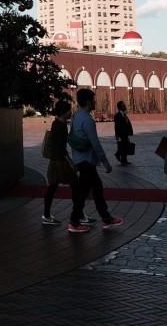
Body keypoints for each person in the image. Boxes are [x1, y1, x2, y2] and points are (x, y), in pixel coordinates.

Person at [68, 88, 124, 233]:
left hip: (80, 159)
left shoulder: (75, 116)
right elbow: (95, 144)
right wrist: (106, 163)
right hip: (87, 161)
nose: (95, 102)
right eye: (93, 100)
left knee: (97, 189)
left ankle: (106, 218)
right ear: (87, 102)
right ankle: (74, 222)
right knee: (84, 192)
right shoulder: (87, 120)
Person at [43, 99, 77, 225]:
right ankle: (78, 214)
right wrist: (71, 162)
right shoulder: (59, 125)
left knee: (53, 187)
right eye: (69, 110)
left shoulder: (59, 123)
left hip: (56, 161)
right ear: (63, 112)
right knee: (74, 185)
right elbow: (60, 147)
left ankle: (46, 215)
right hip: (59, 162)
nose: (70, 112)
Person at [114, 100, 133, 165]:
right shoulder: (117, 115)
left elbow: (127, 124)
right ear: (120, 107)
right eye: (123, 105)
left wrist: (129, 132)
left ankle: (124, 159)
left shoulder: (124, 114)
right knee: (122, 146)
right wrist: (117, 135)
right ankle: (121, 158)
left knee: (125, 146)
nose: (125, 106)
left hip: (125, 133)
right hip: (121, 134)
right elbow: (116, 126)